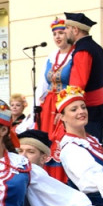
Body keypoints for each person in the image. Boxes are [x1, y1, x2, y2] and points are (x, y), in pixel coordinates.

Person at [65, 12, 103, 140]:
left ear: (75, 30)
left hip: (90, 110)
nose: (65, 32)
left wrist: (68, 108)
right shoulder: (96, 47)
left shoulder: (83, 50)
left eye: (67, 28)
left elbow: (77, 85)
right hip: (99, 107)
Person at [34, 16, 75, 146]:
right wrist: (36, 107)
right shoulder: (51, 56)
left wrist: (65, 108)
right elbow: (42, 83)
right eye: (55, 34)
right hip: (48, 104)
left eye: (61, 33)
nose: (57, 37)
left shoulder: (75, 55)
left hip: (64, 104)